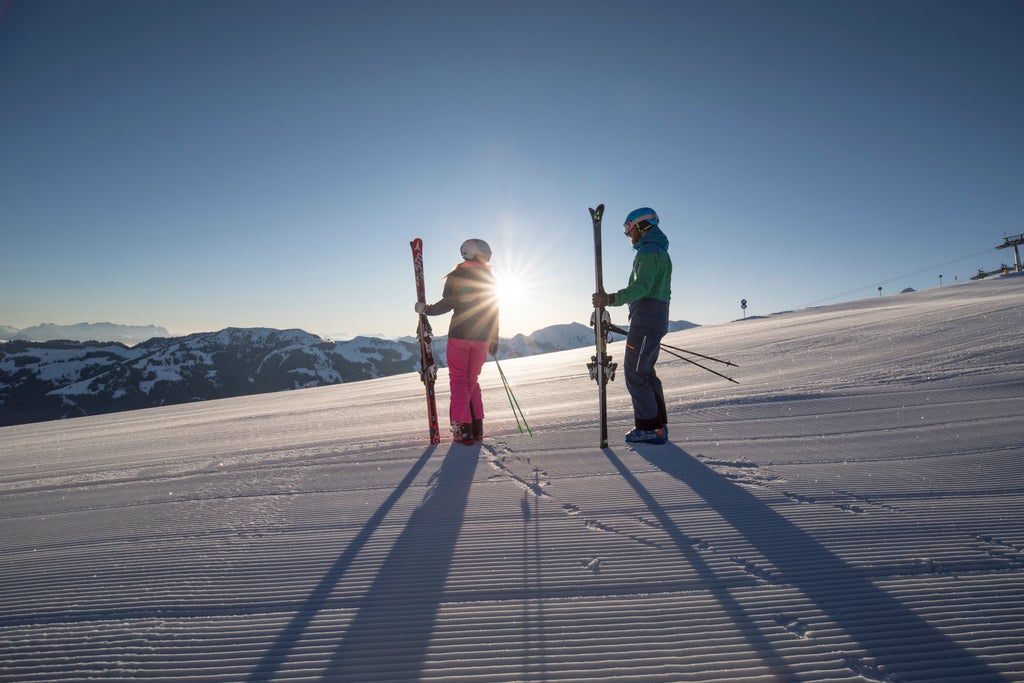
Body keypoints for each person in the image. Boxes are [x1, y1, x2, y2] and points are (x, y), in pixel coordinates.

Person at [592, 207, 672, 444]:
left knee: (635, 374)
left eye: (629, 228)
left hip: (646, 322)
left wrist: (610, 299)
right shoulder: (658, 251)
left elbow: (642, 288)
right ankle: (658, 424)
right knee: (646, 373)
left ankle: (650, 428)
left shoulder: (648, 251)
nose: (628, 234)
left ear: (642, 226)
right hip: (652, 320)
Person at [415, 239, 500, 445]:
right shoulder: (489, 277)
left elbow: (448, 303)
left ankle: (463, 427)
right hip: (481, 338)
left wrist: (426, 309)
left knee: (459, 381)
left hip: (460, 335)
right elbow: (493, 310)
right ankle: (476, 426)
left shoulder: (457, 275)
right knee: (472, 381)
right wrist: (494, 337)